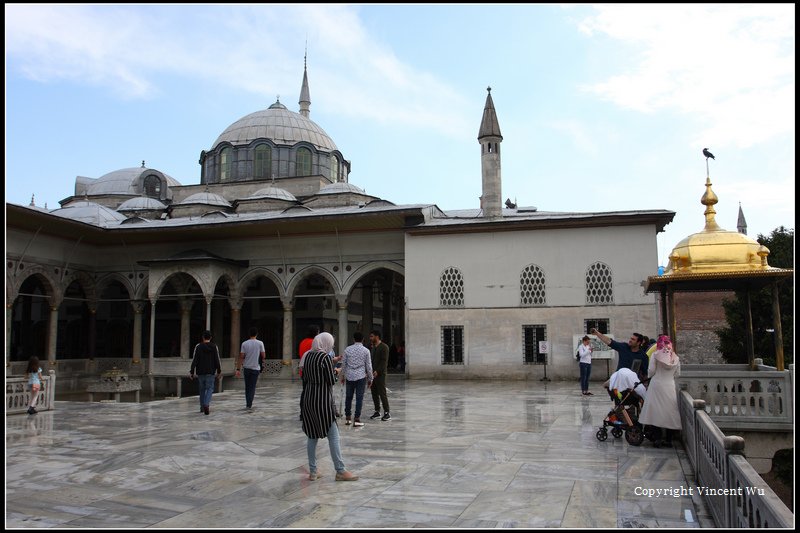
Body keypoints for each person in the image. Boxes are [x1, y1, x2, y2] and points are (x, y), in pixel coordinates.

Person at [301, 332, 358, 482]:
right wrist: (337, 371)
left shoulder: (308, 356)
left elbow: (305, 377)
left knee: (312, 435)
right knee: (333, 435)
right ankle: (340, 470)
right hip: (322, 400)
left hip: (308, 398)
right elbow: (331, 379)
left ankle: (313, 471)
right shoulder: (324, 357)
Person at [638, 335, 681, 447]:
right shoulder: (675, 357)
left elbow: (651, 371)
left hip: (657, 385)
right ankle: (668, 440)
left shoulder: (655, 355)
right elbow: (678, 374)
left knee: (655, 412)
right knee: (669, 412)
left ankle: (657, 439)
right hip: (669, 386)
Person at [340, 332, 373, 427]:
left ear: (353, 339)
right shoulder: (366, 351)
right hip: (361, 376)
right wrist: (371, 378)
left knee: (348, 397)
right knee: (359, 398)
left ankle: (348, 418)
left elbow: (344, 364)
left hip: (349, 376)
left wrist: (342, 376)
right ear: (363, 339)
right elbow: (368, 366)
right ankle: (357, 419)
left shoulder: (347, 350)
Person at [189, 330, 222, 415]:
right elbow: (217, 359)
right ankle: (206, 404)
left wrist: (192, 371)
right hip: (210, 372)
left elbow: (195, 360)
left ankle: (202, 408)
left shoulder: (198, 346)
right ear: (210, 338)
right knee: (210, 388)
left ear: (203, 337)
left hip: (200, 372)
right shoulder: (214, 347)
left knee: (202, 389)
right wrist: (219, 371)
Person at [237, 327, 266, 410]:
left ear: (249, 334)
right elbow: (263, 356)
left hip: (246, 367)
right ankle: (249, 403)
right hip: (255, 368)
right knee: (252, 386)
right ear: (257, 334)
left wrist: (238, 369)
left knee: (247, 386)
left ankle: (247, 403)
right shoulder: (260, 343)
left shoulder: (244, 343)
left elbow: (241, 356)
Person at [298, 325, 320, 420]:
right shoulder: (314, 343)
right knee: (313, 393)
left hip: (304, 371)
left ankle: (302, 413)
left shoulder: (303, 342)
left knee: (305, 392)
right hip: (313, 371)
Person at [368, 329, 391, 421]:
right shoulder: (373, 348)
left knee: (382, 393)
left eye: (372, 336)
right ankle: (377, 411)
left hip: (380, 375)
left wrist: (377, 371)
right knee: (374, 393)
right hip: (372, 374)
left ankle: (387, 412)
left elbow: (384, 362)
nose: (370, 338)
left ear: (377, 337)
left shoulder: (384, 347)